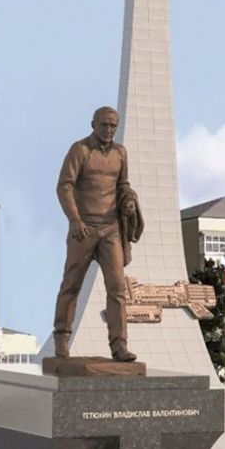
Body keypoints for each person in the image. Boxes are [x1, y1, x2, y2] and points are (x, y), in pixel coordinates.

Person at [53, 106, 143, 362]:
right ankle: (62, 338)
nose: (109, 129)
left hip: (110, 230)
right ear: (93, 124)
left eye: (113, 125)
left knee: (117, 288)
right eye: (104, 124)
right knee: (71, 285)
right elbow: (64, 186)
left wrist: (128, 200)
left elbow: (122, 184)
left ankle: (119, 345)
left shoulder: (120, 153)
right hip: (83, 229)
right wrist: (74, 219)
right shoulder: (80, 150)